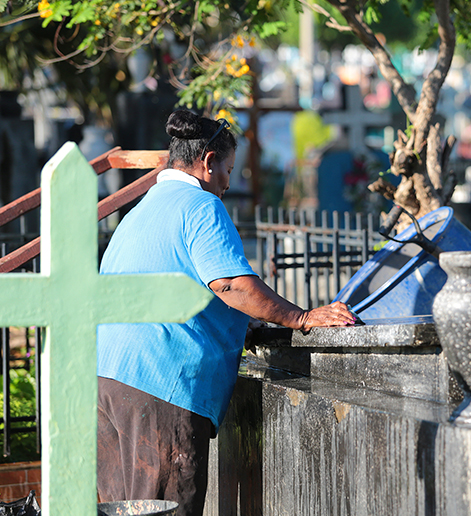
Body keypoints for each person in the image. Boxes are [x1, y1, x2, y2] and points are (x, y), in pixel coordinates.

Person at [96, 110, 355, 516]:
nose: (227, 183)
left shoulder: (139, 212)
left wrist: (235, 321)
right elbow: (231, 284)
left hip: (108, 380)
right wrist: (301, 318)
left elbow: (176, 285)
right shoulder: (200, 205)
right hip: (162, 385)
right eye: (228, 170)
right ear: (208, 161)